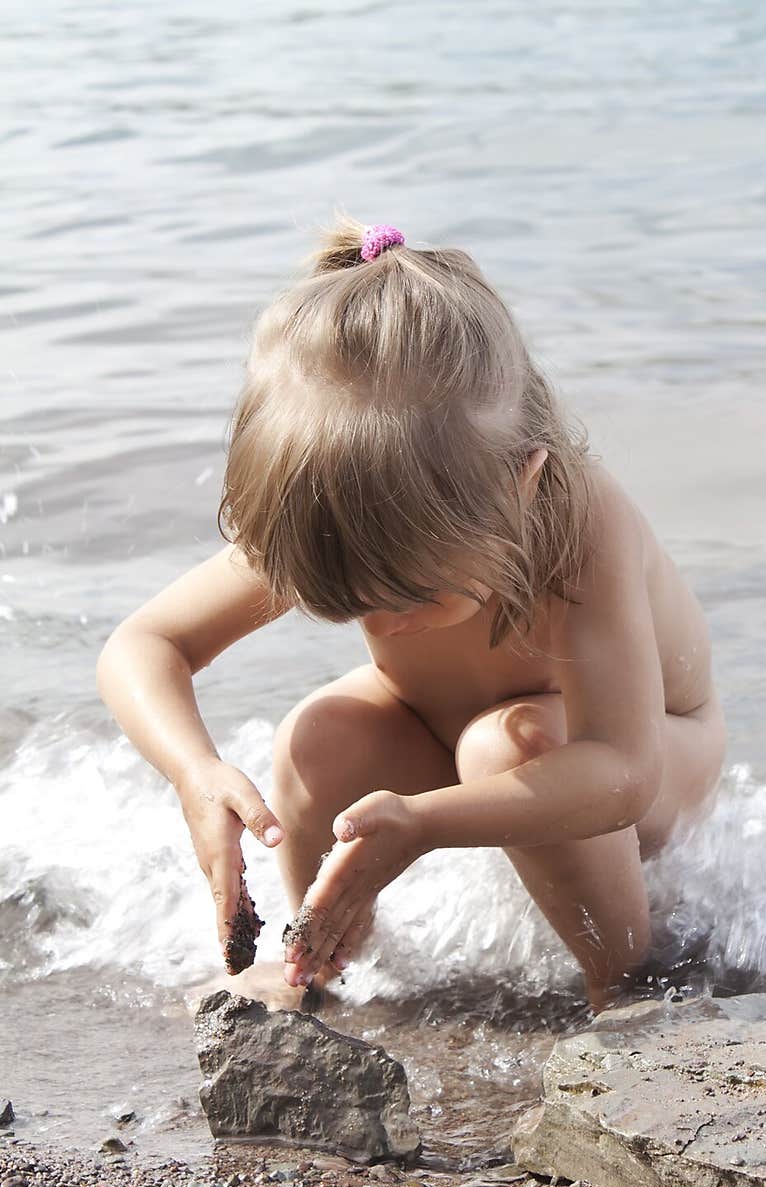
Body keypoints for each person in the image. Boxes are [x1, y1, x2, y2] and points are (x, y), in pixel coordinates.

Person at [96, 214, 726, 1013]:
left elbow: (625, 773)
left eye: (412, 596)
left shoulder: (580, 524)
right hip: (450, 730)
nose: (383, 627)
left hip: (643, 763)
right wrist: (196, 773)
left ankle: (627, 987)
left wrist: (424, 824)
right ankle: (316, 964)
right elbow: (144, 644)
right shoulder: (345, 512)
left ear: (520, 485)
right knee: (321, 735)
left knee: (508, 744)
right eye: (354, 605)